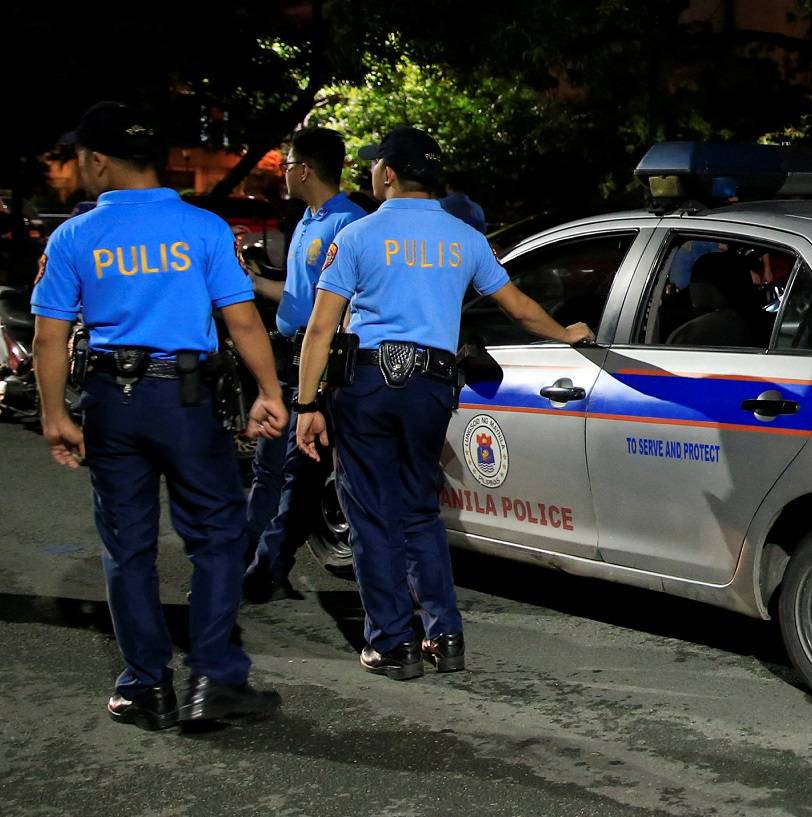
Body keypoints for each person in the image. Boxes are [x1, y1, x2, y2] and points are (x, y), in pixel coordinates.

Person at [292, 127, 594, 679]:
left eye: (375, 166)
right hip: (432, 386)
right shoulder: (465, 240)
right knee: (419, 511)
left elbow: (320, 327)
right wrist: (565, 334)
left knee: (370, 515)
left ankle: (392, 643)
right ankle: (444, 635)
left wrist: (305, 404)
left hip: (368, 383)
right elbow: (520, 307)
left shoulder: (358, 236)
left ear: (387, 174)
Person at [29, 101, 287, 730]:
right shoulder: (202, 227)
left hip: (112, 404)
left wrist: (55, 414)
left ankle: (147, 685)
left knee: (128, 547)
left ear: (97, 161)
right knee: (218, 538)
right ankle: (215, 678)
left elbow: (48, 338)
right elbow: (242, 317)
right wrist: (270, 393)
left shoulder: (75, 236)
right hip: (188, 400)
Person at [242, 127, 367, 603]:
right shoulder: (307, 221)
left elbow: (343, 307)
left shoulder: (349, 224)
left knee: (297, 470)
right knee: (269, 469)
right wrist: (251, 280)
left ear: (305, 170)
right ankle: (251, 563)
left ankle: (264, 570)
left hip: (322, 362)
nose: (283, 172)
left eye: (287, 162)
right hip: (288, 353)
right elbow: (297, 300)